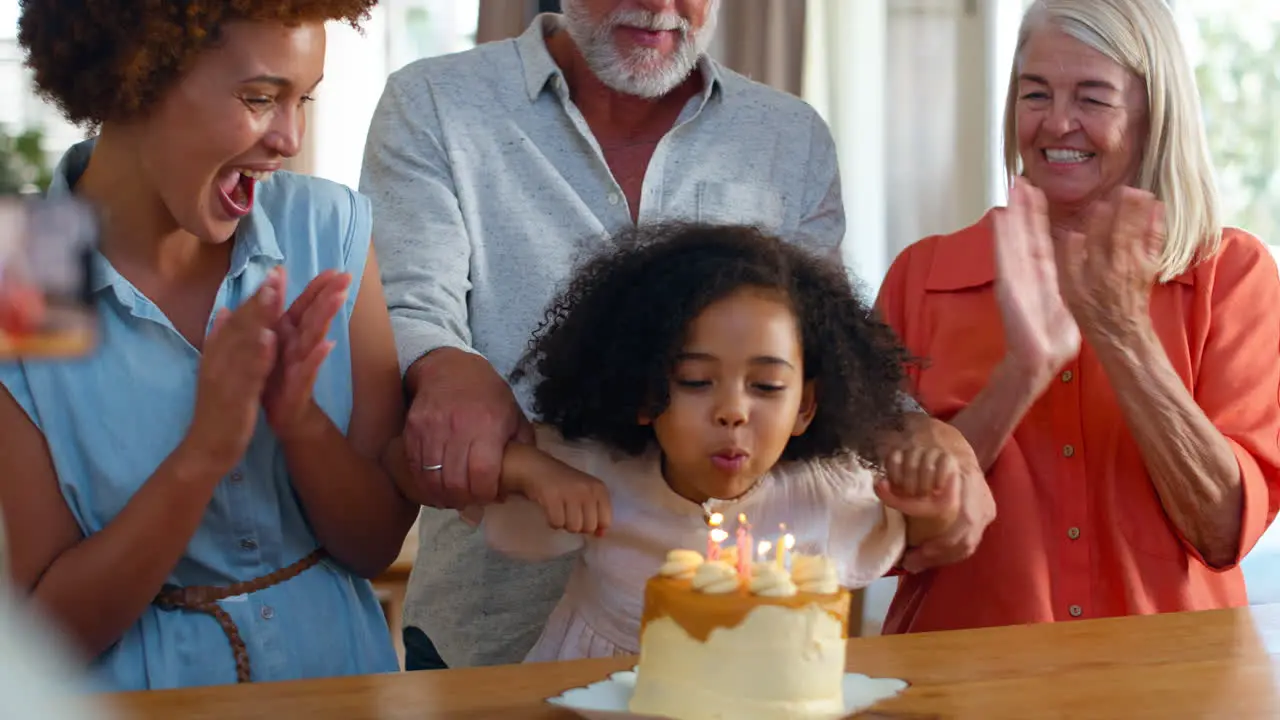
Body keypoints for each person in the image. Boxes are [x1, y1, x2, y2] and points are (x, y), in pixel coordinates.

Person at [361, 0, 994, 669]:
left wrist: (922, 437)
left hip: (738, 683)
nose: (661, 5)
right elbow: (406, 308)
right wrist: (443, 365)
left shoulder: (790, 136)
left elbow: (819, 346)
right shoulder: (435, 102)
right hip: (484, 639)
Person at [0, 0, 418, 690]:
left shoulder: (327, 229)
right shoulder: (25, 275)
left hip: (340, 687)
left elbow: (373, 546)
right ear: (137, 75)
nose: (289, 138)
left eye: (303, 100)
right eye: (260, 98)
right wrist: (206, 452)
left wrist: (298, 420)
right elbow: (46, 636)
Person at [875, 0, 1280, 634]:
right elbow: (878, 538)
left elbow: (1225, 530)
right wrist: (1023, 372)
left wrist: (1121, 331)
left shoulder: (1232, 275)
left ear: (1155, 114)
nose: (1057, 123)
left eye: (1093, 98)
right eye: (1035, 94)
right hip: (965, 686)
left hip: (1174, 687)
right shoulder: (920, 278)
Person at [386, 222, 963, 661]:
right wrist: (532, 472)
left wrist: (931, 493)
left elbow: (917, 536)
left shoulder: (827, 493)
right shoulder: (597, 475)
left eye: (766, 385)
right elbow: (404, 465)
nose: (734, 411)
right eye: (695, 382)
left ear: (806, 405)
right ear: (643, 393)